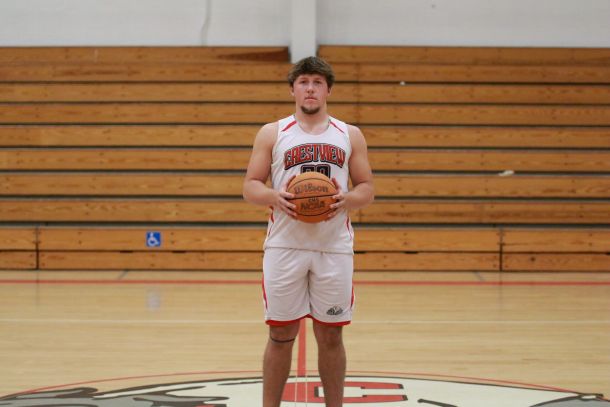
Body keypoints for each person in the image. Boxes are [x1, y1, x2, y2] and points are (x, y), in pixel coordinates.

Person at [242, 56, 374, 407]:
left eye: (317, 82)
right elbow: (250, 186)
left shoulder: (349, 134)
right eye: (303, 82)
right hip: (285, 246)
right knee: (280, 333)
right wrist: (274, 196)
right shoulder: (273, 132)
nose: (310, 88)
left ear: (328, 90)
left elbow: (366, 189)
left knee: (331, 336)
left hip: (333, 247)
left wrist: (346, 199)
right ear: (293, 90)